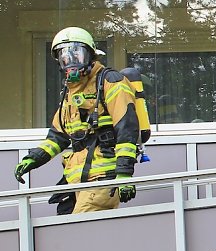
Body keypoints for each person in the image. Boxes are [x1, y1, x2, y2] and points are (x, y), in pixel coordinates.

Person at [14, 27, 140, 213]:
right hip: (77, 179)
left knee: (78, 232)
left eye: (77, 54)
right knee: (66, 229)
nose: (71, 61)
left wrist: (123, 174)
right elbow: (58, 136)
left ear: (90, 55)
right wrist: (33, 158)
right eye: (65, 56)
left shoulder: (110, 81)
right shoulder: (70, 92)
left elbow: (127, 129)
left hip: (103, 178)